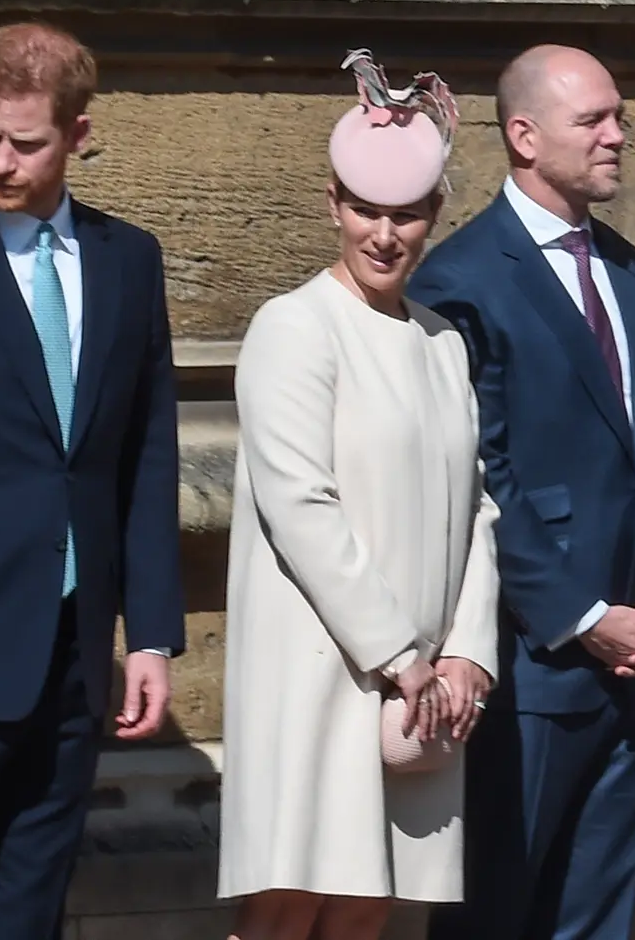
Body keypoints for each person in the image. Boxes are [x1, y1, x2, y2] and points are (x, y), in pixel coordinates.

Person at [0, 21, 184, 938]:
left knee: (30, 909)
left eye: (27, 143)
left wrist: (152, 636)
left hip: (73, 657)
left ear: (79, 136)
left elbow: (146, 451)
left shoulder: (130, 261)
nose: (1, 162)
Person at [410, 44, 635, 940]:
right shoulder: (458, 283)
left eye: (618, 115)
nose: (620, 134)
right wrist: (582, 615)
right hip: (531, 670)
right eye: (596, 120)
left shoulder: (633, 272)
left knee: (596, 919)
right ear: (525, 135)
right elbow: (477, 476)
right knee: (498, 912)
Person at [216, 50, 501, 940]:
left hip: (421, 683)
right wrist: (400, 653)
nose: (385, 233)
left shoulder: (442, 342)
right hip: (318, 670)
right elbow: (301, 505)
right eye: (366, 210)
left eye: (407, 213)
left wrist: (467, 654)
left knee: (372, 909)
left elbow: (477, 512)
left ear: (435, 215)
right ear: (333, 205)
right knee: (290, 907)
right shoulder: (293, 327)